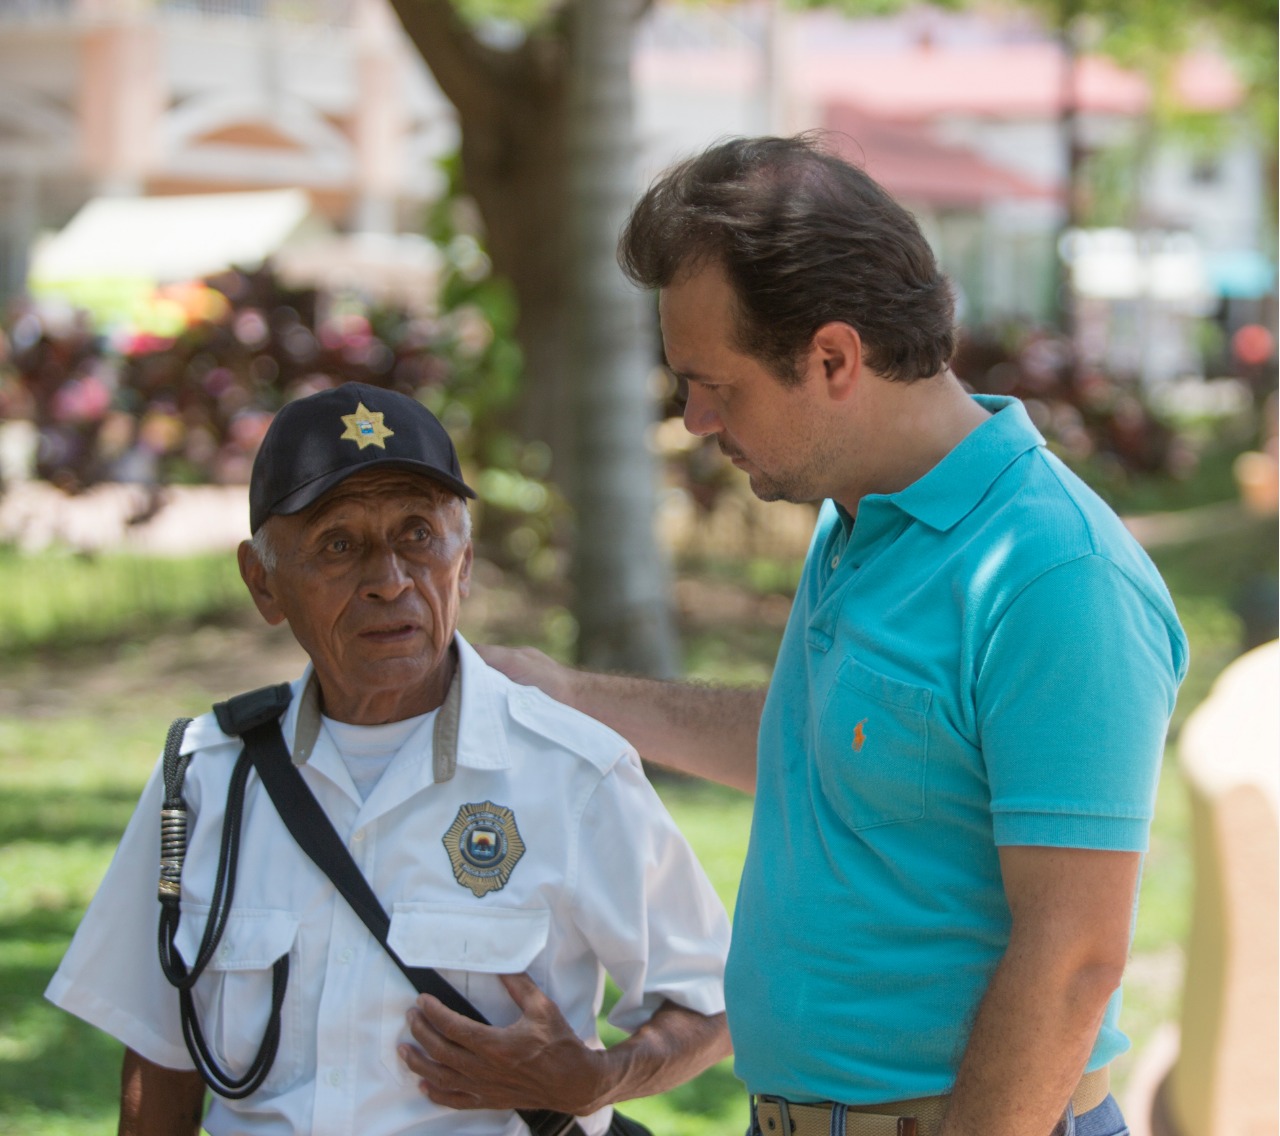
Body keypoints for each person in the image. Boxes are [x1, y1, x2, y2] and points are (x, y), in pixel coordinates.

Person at [474, 135, 1188, 1136]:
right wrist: (570, 693)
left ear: (831, 358)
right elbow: (827, 738)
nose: (691, 418)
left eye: (714, 384)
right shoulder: (858, 516)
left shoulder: (1054, 576)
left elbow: (1072, 959)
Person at [46, 381, 732, 1136]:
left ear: (463, 565)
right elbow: (159, 1055)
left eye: (418, 536)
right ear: (262, 582)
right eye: (338, 544)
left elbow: (711, 998)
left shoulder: (572, 773)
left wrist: (599, 1078)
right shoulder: (208, 778)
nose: (389, 581)